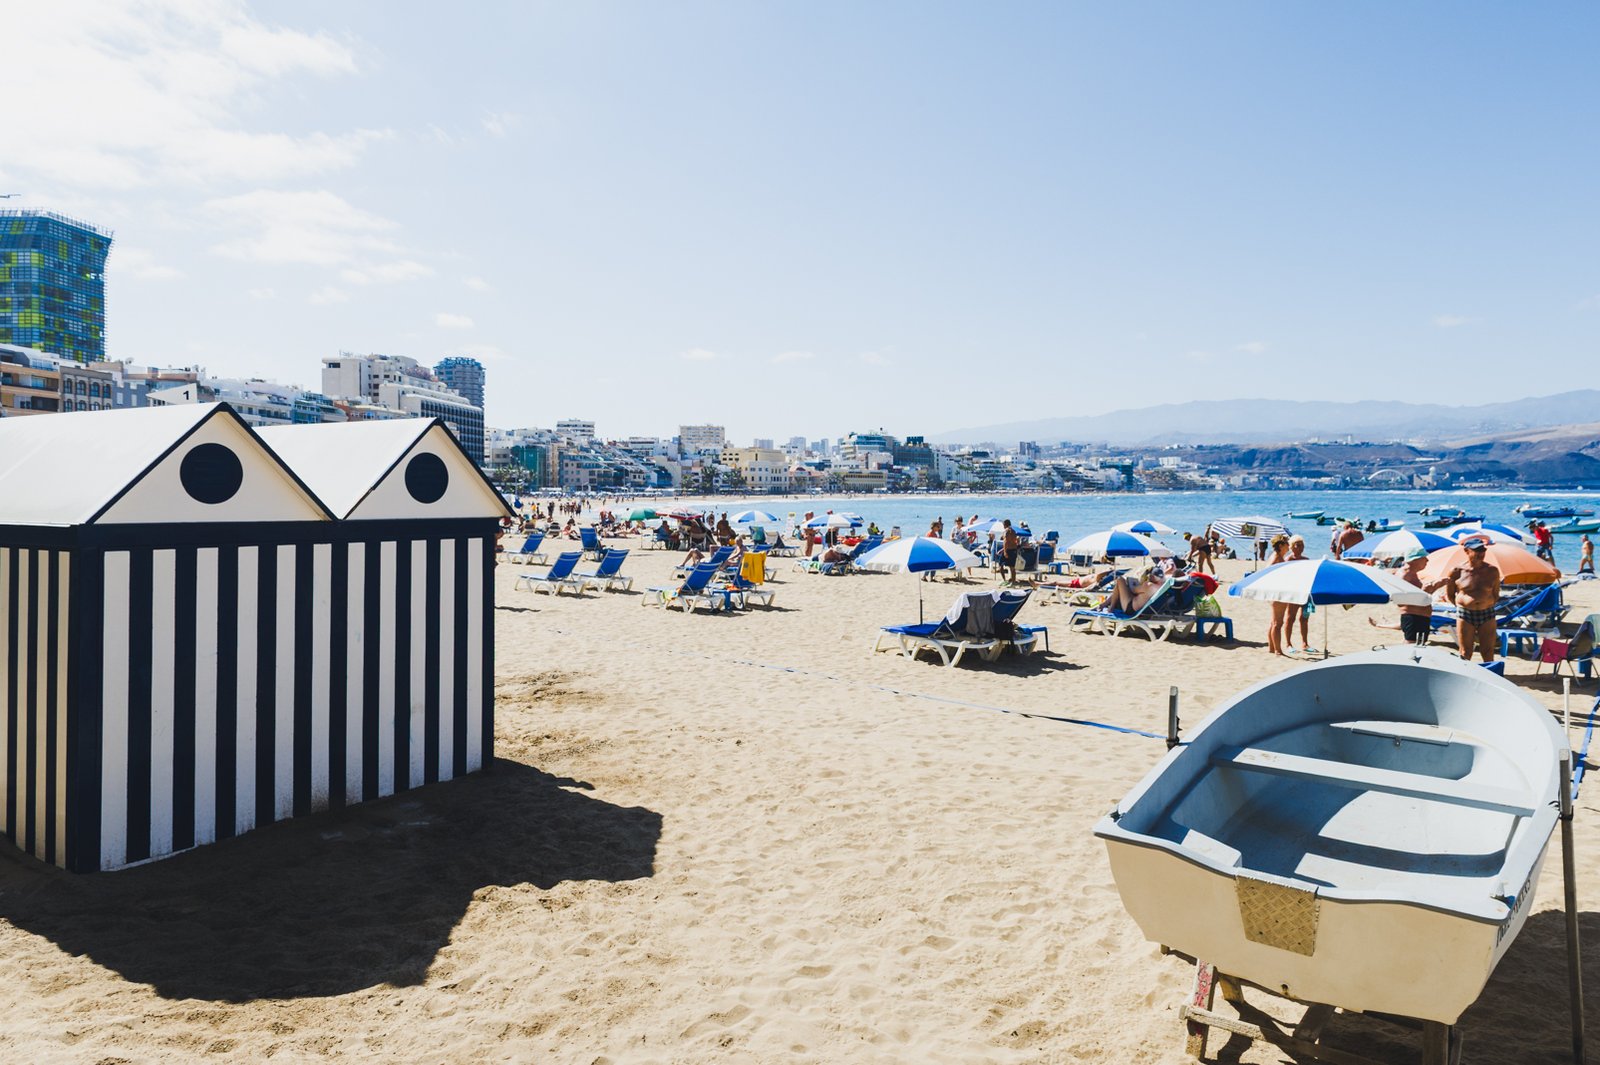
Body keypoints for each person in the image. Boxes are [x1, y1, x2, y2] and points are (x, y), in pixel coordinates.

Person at [1424, 536, 1501, 662]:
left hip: (1487, 612)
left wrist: (1486, 603)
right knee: (1465, 651)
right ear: (1467, 551)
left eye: (1483, 550)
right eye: (1476, 550)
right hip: (1465, 613)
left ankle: (1490, 675)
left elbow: (1496, 593)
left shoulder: (1492, 571)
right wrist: (1463, 605)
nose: (1481, 554)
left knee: (1488, 650)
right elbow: (1450, 594)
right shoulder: (1456, 571)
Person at [1369, 546, 1434, 645]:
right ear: (1415, 560)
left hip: (1419, 617)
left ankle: (1381, 624)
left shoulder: (1412, 574)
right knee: (1411, 648)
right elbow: (1401, 601)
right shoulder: (1404, 575)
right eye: (1424, 558)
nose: (1427, 560)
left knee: (1418, 648)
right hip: (1413, 618)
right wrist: (1428, 591)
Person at [1280, 535, 1311, 654]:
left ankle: (1305, 643)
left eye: (1302, 545)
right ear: (1292, 547)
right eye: (1298, 545)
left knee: (1304, 618)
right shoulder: (1288, 560)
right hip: (1293, 593)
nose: (1301, 547)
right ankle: (1288, 643)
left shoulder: (1306, 560)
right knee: (1290, 618)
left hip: (1305, 593)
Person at [1263, 534, 1292, 655]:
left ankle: (1271, 647)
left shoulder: (1276, 557)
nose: (1289, 545)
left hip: (1276, 592)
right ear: (1281, 545)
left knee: (1274, 622)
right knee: (1277, 623)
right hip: (1277, 593)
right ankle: (1277, 650)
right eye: (1286, 543)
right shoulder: (1277, 559)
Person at [997, 519, 1020, 584]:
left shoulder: (1006, 531)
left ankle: (1004, 580)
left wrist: (1004, 552)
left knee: (1000, 565)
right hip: (1014, 550)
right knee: (1012, 568)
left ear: (1005, 524)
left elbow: (1006, 542)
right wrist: (1002, 550)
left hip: (1008, 550)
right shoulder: (1014, 531)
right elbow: (1015, 542)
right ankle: (1013, 582)